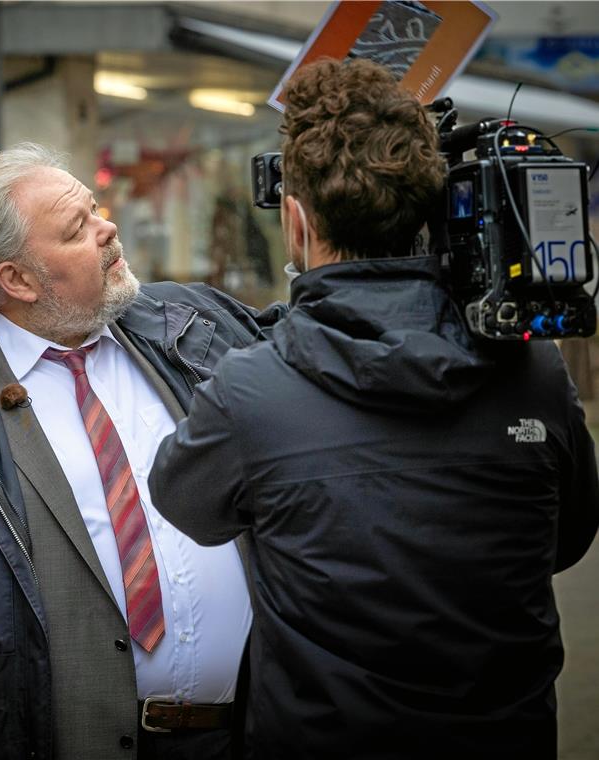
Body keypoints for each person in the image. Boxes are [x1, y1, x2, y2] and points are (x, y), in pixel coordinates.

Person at [150, 58, 599, 759]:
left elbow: (184, 500)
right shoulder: (532, 372)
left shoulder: (253, 391)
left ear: (294, 222)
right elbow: (567, 540)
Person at [0, 142, 286, 759]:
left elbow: (318, 350)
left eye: (96, 209)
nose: (108, 230)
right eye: (78, 228)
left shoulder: (193, 326)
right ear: (16, 280)